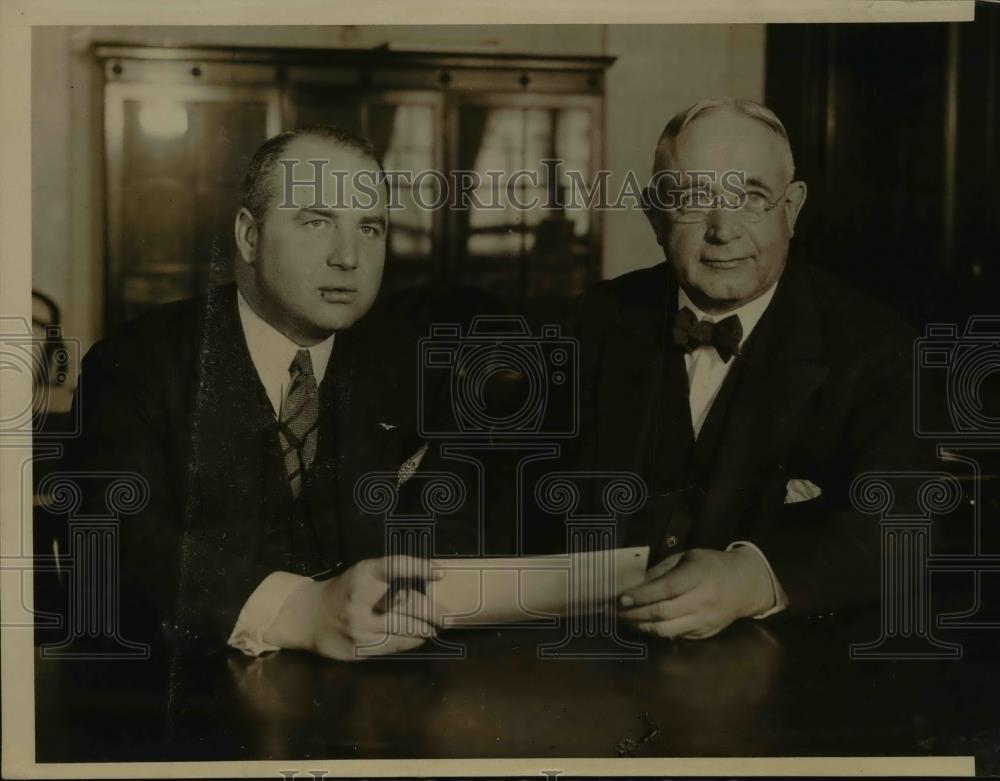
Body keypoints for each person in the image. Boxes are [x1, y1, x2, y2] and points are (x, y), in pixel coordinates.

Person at [63, 126, 465, 663]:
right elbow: (114, 540)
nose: (348, 257)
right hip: (184, 692)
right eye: (317, 222)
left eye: (370, 228)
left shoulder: (415, 363)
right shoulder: (136, 362)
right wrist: (299, 610)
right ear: (249, 237)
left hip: (376, 683)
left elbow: (468, 522)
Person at [570, 97, 926, 640]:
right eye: (693, 200)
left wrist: (756, 577)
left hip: (786, 673)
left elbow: (904, 523)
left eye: (752, 197)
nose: (723, 230)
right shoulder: (591, 323)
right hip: (595, 665)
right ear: (653, 216)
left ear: (793, 208)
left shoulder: (879, 348)